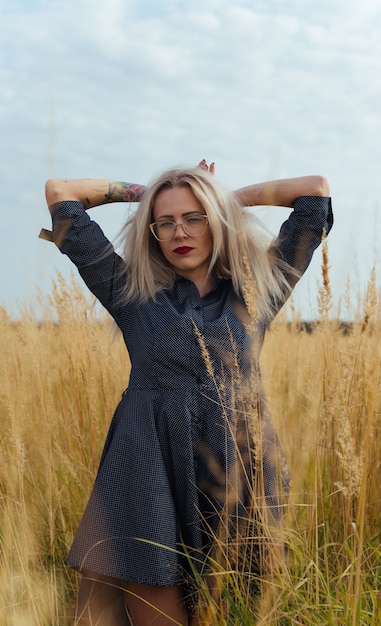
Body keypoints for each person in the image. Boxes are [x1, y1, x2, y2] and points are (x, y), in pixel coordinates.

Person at [41, 159, 333, 625]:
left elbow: (314, 193)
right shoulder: (129, 292)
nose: (181, 231)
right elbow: (62, 192)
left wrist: (220, 197)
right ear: (153, 231)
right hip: (146, 480)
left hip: (236, 479)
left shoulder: (257, 291)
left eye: (195, 217)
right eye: (167, 222)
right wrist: (148, 191)